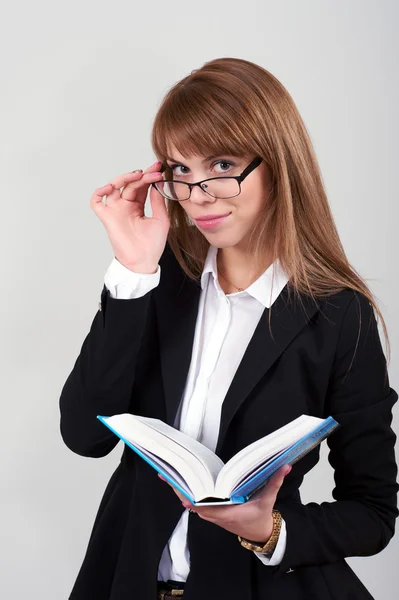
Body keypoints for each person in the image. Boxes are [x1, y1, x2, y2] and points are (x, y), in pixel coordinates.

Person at [59, 57, 399, 600]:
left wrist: (270, 532)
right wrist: (132, 269)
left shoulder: (337, 315)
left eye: (221, 164)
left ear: (277, 164)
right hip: (125, 581)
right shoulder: (157, 282)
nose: (198, 194)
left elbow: (374, 512)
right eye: (181, 171)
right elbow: (84, 436)